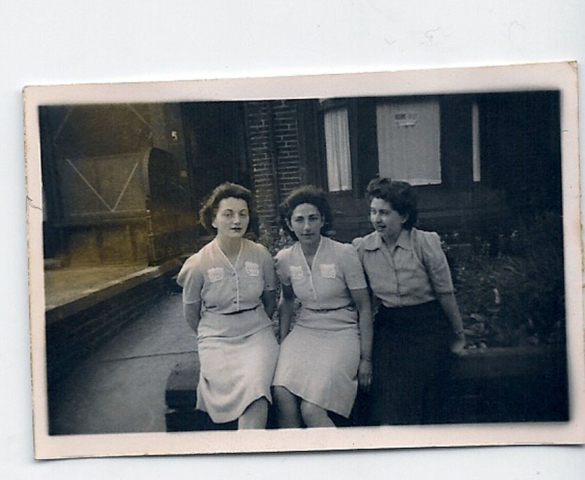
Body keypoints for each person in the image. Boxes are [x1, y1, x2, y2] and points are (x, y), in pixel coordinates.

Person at [352, 177, 466, 425]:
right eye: (373, 212)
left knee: (427, 392)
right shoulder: (362, 249)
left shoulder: (425, 243)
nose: (377, 219)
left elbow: (445, 292)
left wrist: (458, 333)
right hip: (390, 327)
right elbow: (364, 303)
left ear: (403, 216)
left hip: (428, 324)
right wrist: (365, 356)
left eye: (384, 213)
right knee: (388, 394)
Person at [176, 182, 279, 429]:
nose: (237, 221)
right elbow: (191, 314)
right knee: (228, 385)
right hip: (216, 339)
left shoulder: (260, 255)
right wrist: (213, 332)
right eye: (228, 214)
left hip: (257, 333)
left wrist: (255, 322)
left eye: (243, 214)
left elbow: (270, 299)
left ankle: (248, 444)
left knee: (256, 385)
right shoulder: (198, 263)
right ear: (213, 220)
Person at [272, 186, 373, 428]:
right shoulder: (285, 259)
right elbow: (287, 299)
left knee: (312, 409)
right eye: (299, 220)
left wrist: (366, 358)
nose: (306, 227)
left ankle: (334, 453)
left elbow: (364, 307)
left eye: (313, 218)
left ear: (323, 220)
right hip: (306, 329)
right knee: (281, 392)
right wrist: (284, 342)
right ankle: (295, 451)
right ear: (289, 224)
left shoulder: (344, 253)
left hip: (342, 330)